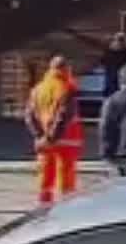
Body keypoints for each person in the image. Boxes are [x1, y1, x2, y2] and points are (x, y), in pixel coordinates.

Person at [24, 55, 83, 204]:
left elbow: (29, 116)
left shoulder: (38, 89)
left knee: (46, 177)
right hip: (66, 140)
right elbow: (64, 115)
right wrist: (52, 137)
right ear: (65, 69)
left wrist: (40, 136)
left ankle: (44, 207)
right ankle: (66, 208)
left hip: (45, 142)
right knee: (66, 178)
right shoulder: (67, 88)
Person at [99, 32, 126, 97]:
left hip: (119, 78)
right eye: (119, 40)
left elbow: (102, 61)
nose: (120, 43)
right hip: (115, 78)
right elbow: (103, 61)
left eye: (121, 40)